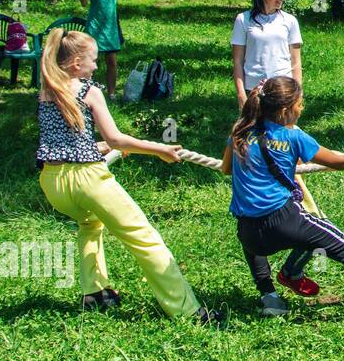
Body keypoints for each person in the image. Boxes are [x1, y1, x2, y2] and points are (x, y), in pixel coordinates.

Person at [36, 29, 222, 324]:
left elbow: (68, 142)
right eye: (93, 61)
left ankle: (95, 294)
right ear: (75, 64)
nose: (97, 67)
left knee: (89, 224)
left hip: (53, 183)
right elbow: (118, 138)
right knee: (144, 238)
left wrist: (105, 146)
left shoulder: (47, 90)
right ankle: (189, 312)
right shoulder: (89, 91)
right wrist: (158, 149)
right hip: (88, 180)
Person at [221, 76, 344, 322]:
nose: (301, 109)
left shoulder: (239, 133)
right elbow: (339, 162)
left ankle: (269, 297)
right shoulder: (294, 138)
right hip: (285, 222)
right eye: (299, 104)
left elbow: (226, 168)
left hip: (249, 235)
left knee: (249, 217)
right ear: (285, 111)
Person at [230, 0, 322, 297]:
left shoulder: (290, 21)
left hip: (282, 98)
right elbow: (238, 63)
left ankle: (300, 209)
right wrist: (243, 97)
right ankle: (284, 208)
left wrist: (297, 94)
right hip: (256, 97)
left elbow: (295, 62)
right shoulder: (244, 20)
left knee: (285, 152)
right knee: (260, 153)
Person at [81, 0, 138, 99]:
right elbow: (84, 2)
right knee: (90, 60)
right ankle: (86, 91)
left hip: (110, 26)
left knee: (111, 61)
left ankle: (111, 93)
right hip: (95, 24)